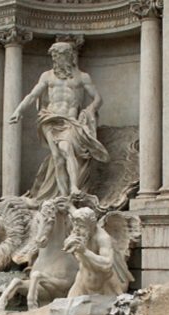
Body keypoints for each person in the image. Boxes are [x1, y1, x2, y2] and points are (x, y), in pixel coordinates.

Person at [9, 41, 109, 201]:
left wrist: (90, 109)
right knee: (56, 156)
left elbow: (98, 98)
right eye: (54, 57)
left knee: (66, 148)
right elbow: (33, 95)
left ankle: (74, 187)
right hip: (49, 118)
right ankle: (63, 196)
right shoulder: (47, 76)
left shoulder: (82, 77)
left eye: (59, 57)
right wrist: (18, 110)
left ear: (69, 56)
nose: (56, 60)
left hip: (69, 120)